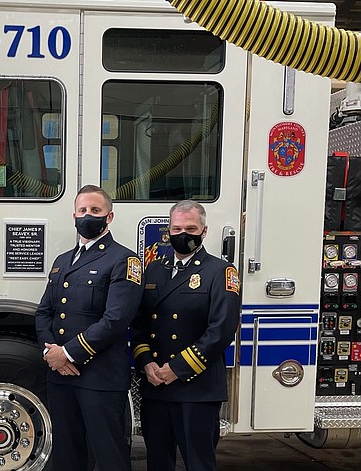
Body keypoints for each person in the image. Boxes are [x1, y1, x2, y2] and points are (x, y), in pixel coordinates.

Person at [34, 184, 143, 471]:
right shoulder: (61, 262)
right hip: (61, 378)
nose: (88, 215)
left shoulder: (124, 260)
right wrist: (52, 355)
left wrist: (68, 354)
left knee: (109, 455)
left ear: (109, 217)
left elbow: (116, 319)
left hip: (100, 377)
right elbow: (45, 312)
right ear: (73, 215)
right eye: (82, 210)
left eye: (95, 210)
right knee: (68, 454)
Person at [131, 200, 241, 471]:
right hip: (156, 386)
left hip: (196, 388)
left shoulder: (221, 271)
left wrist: (177, 369)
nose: (183, 234)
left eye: (190, 228)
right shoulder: (154, 269)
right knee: (157, 461)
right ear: (168, 231)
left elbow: (221, 330)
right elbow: (139, 322)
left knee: (198, 462)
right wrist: (146, 363)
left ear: (204, 232)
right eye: (177, 228)